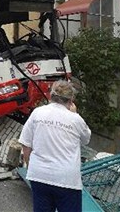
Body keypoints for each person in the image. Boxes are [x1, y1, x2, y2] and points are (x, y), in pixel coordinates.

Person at [18, 80, 91, 212]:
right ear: (71, 99)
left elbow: (26, 144)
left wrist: (30, 167)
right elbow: (86, 139)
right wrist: (74, 114)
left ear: (50, 95)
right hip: (66, 179)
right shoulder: (75, 119)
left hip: (39, 175)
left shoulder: (37, 113)